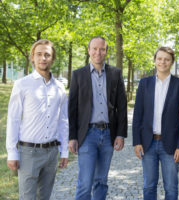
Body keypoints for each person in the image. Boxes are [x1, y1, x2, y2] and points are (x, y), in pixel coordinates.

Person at [6, 39, 69, 200]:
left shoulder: (60, 87)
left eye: (47, 55)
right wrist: (12, 152)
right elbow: (13, 119)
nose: (43, 58)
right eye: (39, 54)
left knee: (45, 197)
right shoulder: (22, 84)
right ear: (32, 57)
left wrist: (64, 151)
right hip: (29, 153)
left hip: (52, 153)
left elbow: (63, 121)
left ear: (52, 58)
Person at [68, 36, 127, 200]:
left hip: (108, 135)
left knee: (101, 181)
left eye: (102, 49)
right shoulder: (78, 75)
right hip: (87, 135)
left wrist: (120, 134)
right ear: (88, 51)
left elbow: (121, 107)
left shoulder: (115, 74)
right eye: (94, 48)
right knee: (85, 183)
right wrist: (72, 137)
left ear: (106, 52)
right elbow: (72, 109)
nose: (98, 52)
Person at [132, 47, 179, 200]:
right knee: (149, 185)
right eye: (160, 58)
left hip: (170, 145)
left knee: (171, 187)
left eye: (166, 59)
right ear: (155, 60)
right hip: (148, 143)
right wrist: (137, 142)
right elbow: (138, 115)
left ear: (171, 62)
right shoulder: (144, 84)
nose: (163, 62)